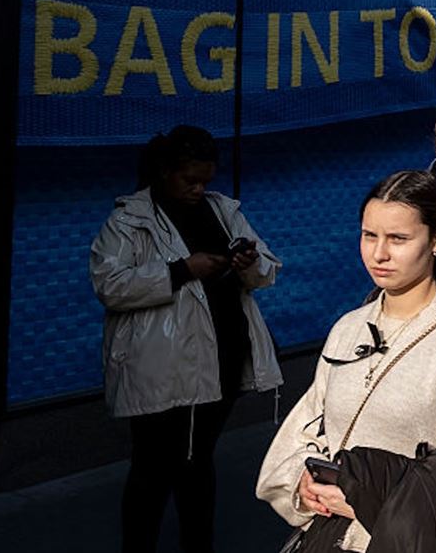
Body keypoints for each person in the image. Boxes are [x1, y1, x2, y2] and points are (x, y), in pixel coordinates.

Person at [256, 171, 436, 551]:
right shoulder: (348, 329)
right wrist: (303, 480)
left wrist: (376, 500)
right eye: (369, 235)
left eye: (398, 238)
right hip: (330, 538)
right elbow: (306, 430)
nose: (379, 254)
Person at [90, 125, 283, 553]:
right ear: (163, 172)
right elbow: (109, 284)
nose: (198, 189)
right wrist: (182, 270)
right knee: (153, 467)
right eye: (189, 180)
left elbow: (267, 269)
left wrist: (247, 261)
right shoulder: (129, 219)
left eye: (205, 181)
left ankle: (198, 544)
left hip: (222, 357)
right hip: (161, 364)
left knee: (196, 461)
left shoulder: (222, 209)